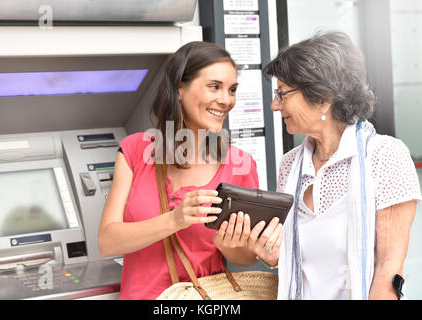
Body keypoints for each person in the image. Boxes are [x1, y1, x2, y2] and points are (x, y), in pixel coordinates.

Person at [98, 41, 283, 300]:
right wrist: (176, 219)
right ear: (179, 89)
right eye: (214, 87)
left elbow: (245, 257)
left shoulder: (240, 164)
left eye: (232, 90)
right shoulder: (134, 151)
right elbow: (107, 242)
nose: (226, 100)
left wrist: (229, 245)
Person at [263, 31, 421, 300]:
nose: (274, 105)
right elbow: (300, 263)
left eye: (282, 93)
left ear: (323, 97)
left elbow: (389, 272)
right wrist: (269, 254)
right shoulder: (290, 165)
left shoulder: (385, 156)